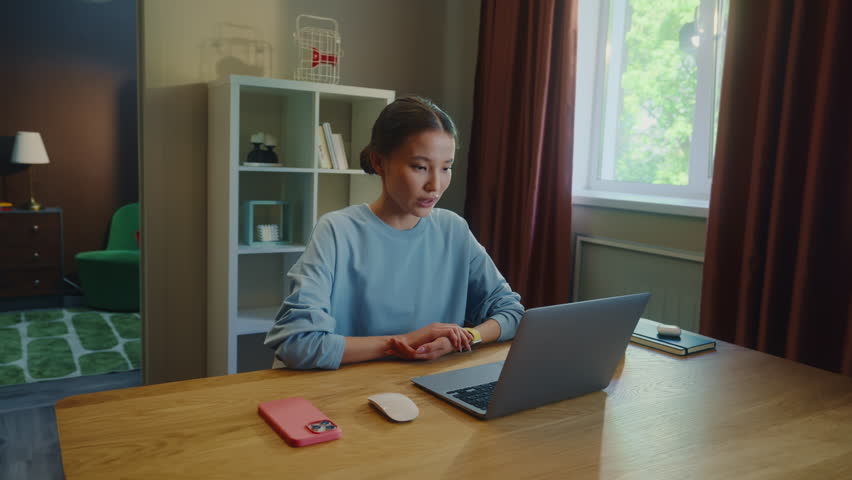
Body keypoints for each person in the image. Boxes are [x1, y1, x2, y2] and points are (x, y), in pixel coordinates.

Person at [264, 96, 524, 369]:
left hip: (428, 389)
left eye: (446, 168)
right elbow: (297, 343)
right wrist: (399, 343)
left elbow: (512, 312)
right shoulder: (337, 231)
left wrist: (465, 337)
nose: (435, 185)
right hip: (349, 392)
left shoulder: (454, 230)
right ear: (379, 162)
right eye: (420, 167)